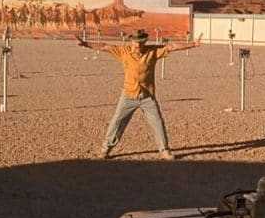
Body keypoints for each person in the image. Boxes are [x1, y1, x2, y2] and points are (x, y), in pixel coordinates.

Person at [75, 28, 202, 160]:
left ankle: (164, 150)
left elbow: (171, 47)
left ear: (144, 42)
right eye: (135, 43)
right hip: (128, 95)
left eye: (141, 43)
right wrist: (85, 44)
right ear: (131, 41)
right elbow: (104, 46)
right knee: (117, 122)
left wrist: (193, 44)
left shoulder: (152, 52)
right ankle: (105, 149)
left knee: (157, 122)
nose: (138, 46)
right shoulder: (123, 51)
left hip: (147, 96)